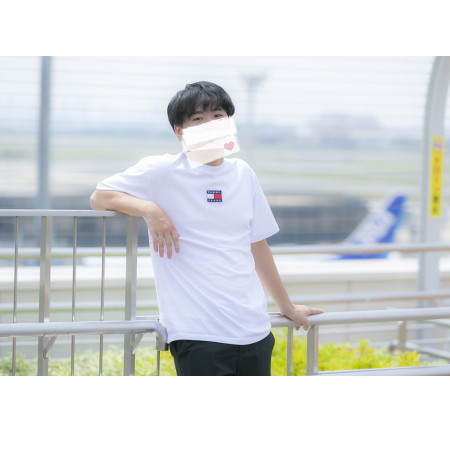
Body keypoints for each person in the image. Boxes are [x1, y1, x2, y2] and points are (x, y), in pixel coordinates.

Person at [90, 81, 323, 376]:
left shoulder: (242, 173)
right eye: (198, 119)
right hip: (197, 334)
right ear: (180, 131)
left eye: (218, 116)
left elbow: (257, 244)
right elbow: (100, 197)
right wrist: (150, 209)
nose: (210, 124)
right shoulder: (162, 170)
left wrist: (286, 306)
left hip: (254, 331)